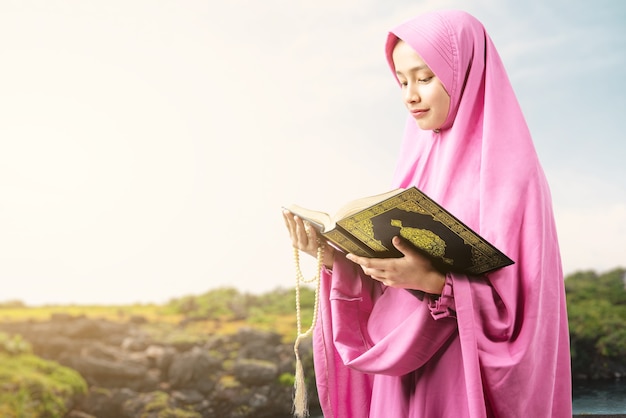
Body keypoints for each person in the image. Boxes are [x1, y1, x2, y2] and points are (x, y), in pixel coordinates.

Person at [283, 9, 572, 418]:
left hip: (459, 379)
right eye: (402, 81)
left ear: (464, 72)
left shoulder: (514, 178)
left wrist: (434, 282)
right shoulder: (416, 164)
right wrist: (335, 257)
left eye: (424, 77)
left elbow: (526, 321)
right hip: (403, 379)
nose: (410, 95)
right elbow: (392, 279)